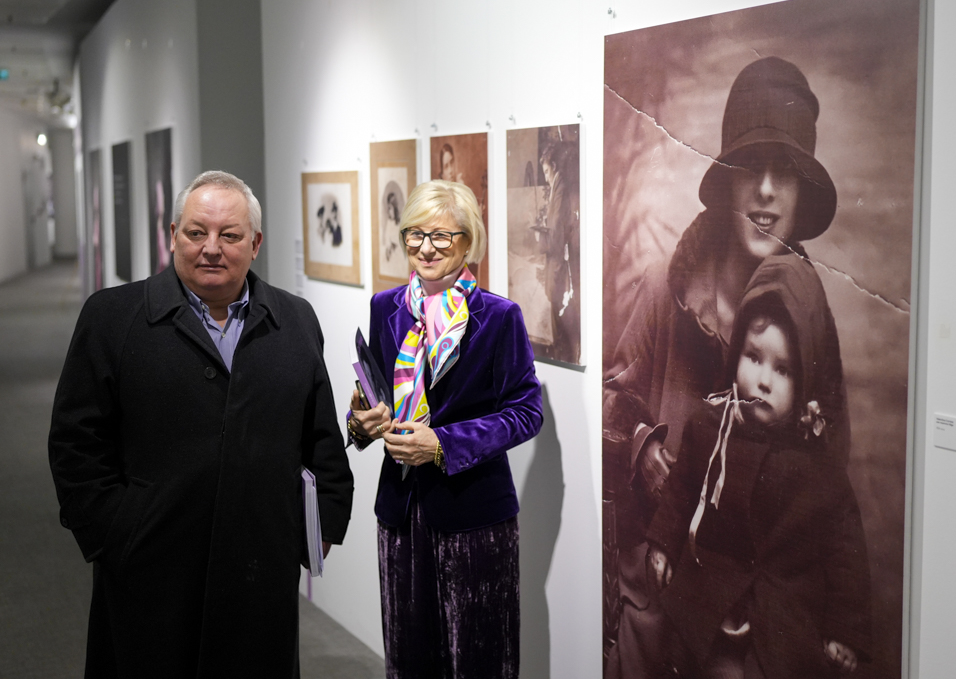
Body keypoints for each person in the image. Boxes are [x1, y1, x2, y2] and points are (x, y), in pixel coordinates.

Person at [49, 170, 354, 678]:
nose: (211, 248)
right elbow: (75, 443)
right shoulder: (112, 317)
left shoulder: (295, 319)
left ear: (255, 243)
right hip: (149, 572)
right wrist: (117, 532)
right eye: (196, 232)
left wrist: (319, 528)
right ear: (173, 235)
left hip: (260, 573)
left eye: (229, 235)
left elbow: (321, 436)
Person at [603, 56, 850, 677]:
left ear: (801, 194)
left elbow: (829, 487)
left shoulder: (809, 317)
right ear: (728, 181)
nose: (766, 190)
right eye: (750, 167)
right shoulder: (669, 286)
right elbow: (609, 405)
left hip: (752, 636)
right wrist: (644, 450)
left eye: (785, 172)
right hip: (656, 600)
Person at [348, 179, 543, 679]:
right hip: (400, 512)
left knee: (478, 659)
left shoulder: (498, 317)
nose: (426, 248)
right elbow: (382, 401)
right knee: (409, 660)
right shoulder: (385, 308)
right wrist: (362, 420)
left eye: (442, 236)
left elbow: (526, 412)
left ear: (467, 240)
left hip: (473, 516)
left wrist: (442, 443)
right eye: (415, 234)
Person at [646, 253, 871, 678]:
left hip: (781, 613)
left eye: (783, 370)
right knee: (687, 657)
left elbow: (846, 554)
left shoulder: (818, 466)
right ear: (736, 358)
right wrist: (662, 543)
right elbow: (680, 493)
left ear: (804, 380)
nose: (763, 381)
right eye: (753, 357)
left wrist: (845, 630)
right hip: (709, 596)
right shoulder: (709, 427)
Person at [538, 140, 581, 363]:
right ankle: (559, 351)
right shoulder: (556, 186)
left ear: (553, 166)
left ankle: (560, 353)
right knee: (552, 298)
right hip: (555, 257)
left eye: (546, 170)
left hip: (557, 258)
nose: (545, 177)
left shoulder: (560, 186)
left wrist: (542, 237)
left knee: (555, 299)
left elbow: (556, 232)